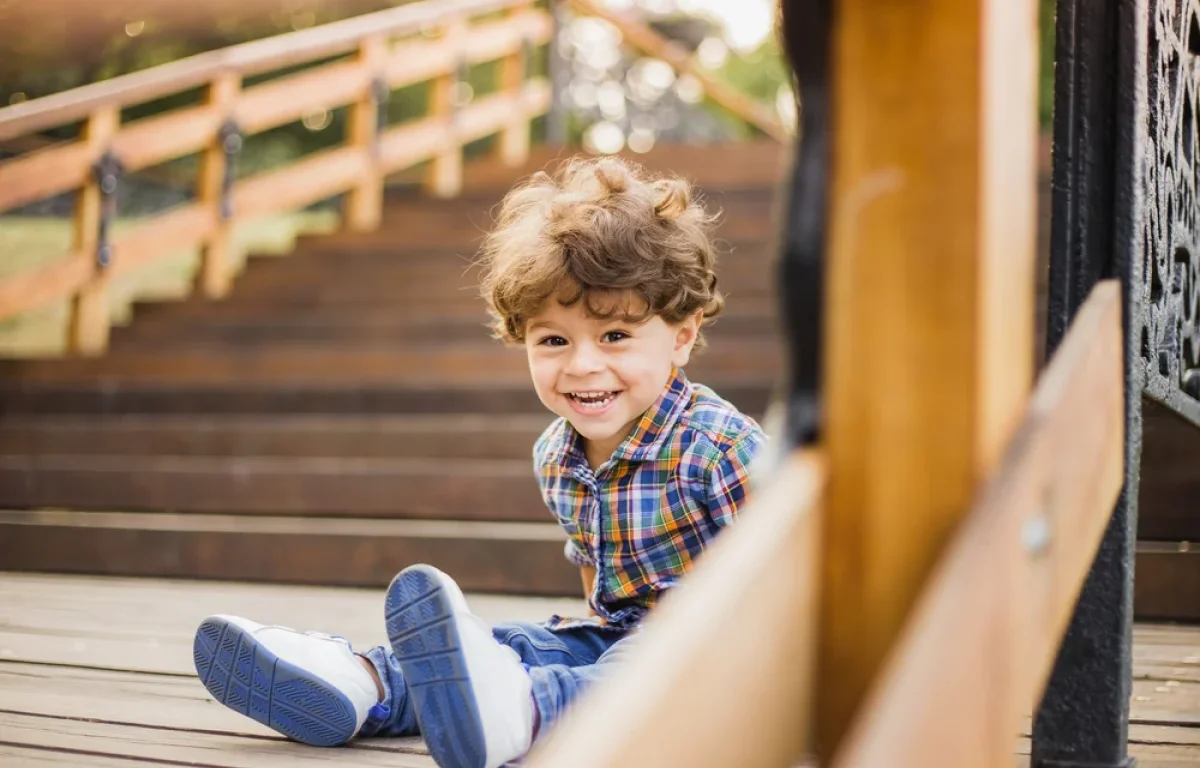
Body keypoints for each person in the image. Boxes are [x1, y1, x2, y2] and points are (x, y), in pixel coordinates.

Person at [191, 156, 767, 768]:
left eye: (615, 337)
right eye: (553, 341)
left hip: (722, 657)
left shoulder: (719, 446)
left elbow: (788, 578)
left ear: (681, 336)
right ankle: (369, 683)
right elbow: (597, 581)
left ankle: (526, 710)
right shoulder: (557, 454)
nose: (581, 365)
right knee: (519, 643)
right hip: (621, 636)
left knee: (634, 664)